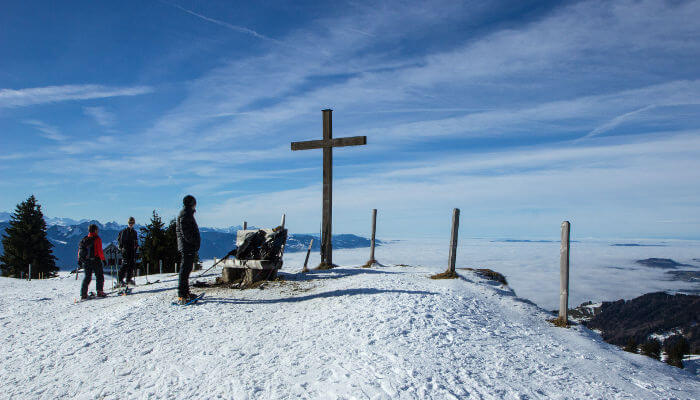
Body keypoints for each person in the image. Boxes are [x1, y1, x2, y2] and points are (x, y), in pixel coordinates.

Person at [176, 195, 200, 303]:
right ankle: (182, 295)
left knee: (186, 269)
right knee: (185, 270)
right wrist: (194, 242)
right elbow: (185, 233)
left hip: (187, 246)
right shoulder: (185, 214)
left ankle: (185, 293)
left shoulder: (187, 213)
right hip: (187, 246)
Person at [79, 224, 107, 299]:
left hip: (86, 262)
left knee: (87, 277)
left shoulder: (85, 239)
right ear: (95, 230)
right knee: (99, 276)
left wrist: (80, 260)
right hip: (95, 260)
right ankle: (100, 291)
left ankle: (83, 294)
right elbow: (99, 251)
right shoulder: (97, 239)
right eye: (97, 229)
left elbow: (80, 251)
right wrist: (103, 260)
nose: (98, 231)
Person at [117, 216, 139, 286]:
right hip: (126, 251)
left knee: (131, 265)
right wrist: (123, 248)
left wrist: (136, 247)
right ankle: (120, 280)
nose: (131, 224)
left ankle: (128, 279)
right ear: (128, 223)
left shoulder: (134, 232)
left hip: (132, 251)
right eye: (130, 222)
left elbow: (135, 241)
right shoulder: (124, 231)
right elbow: (121, 242)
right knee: (125, 265)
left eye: (132, 222)